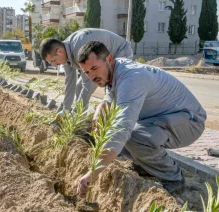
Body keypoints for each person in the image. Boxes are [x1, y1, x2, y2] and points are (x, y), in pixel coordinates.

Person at [75, 41, 206, 196]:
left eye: (94, 69)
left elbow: (121, 130)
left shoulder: (132, 78)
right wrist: (103, 103)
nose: (92, 76)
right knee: (112, 130)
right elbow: (113, 88)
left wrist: (92, 173)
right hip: (162, 118)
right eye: (87, 72)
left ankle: (173, 179)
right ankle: (146, 166)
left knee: (130, 135)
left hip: (189, 122)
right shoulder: (117, 67)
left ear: (109, 59)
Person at [39, 28, 133, 116]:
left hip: (120, 51)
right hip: (100, 59)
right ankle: (82, 118)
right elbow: (70, 83)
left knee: (111, 89)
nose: (55, 65)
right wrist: (66, 109)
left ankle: (115, 120)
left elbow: (89, 84)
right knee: (79, 87)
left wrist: (75, 113)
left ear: (59, 51)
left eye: (53, 60)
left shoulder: (79, 49)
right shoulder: (65, 52)